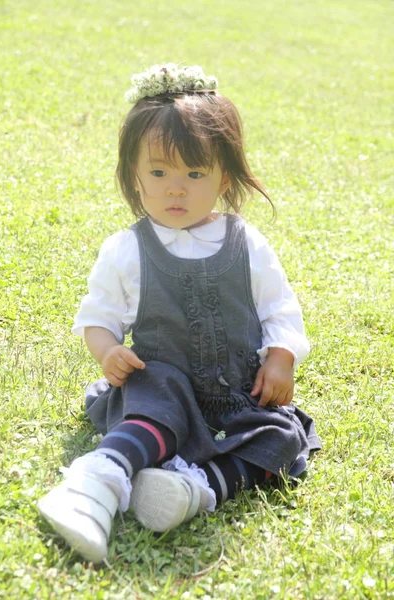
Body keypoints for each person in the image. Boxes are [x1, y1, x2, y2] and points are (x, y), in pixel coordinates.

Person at [38, 63, 321, 563]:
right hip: (160, 385)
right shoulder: (128, 250)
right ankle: (98, 480)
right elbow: (98, 316)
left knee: (282, 435)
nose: (176, 188)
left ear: (224, 176)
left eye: (195, 173)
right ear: (134, 175)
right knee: (157, 400)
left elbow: (279, 306)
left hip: (235, 393)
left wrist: (280, 359)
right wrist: (108, 351)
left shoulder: (245, 242)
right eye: (159, 172)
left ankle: (196, 490)